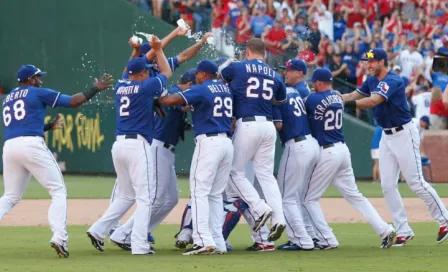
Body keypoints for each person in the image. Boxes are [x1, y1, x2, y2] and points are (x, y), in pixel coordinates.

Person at [0, 64, 113, 258]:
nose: (40, 80)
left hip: (10, 146)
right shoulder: (37, 92)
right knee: (58, 191)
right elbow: (73, 102)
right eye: (37, 77)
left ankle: (59, 237)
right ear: (29, 80)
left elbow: (22, 124)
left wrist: (48, 126)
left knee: (10, 196)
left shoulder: (8, 98)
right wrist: (95, 88)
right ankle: (59, 237)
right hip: (31, 145)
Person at [342, 48, 448, 246]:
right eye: (367, 61)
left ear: (382, 62)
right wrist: (335, 98)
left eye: (372, 62)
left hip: (404, 133)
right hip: (386, 135)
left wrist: (344, 105)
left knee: (416, 182)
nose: (368, 64)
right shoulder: (371, 79)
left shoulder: (393, 80)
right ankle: (403, 230)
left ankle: (445, 220)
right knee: (387, 185)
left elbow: (374, 101)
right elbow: (354, 94)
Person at [87, 36, 172, 255]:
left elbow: (127, 69)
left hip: (119, 146)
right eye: (144, 70)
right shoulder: (145, 87)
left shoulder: (120, 86)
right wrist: (159, 50)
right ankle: (139, 244)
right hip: (137, 145)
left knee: (126, 195)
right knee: (145, 197)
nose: (146, 72)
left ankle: (98, 229)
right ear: (142, 73)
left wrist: (135, 52)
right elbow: (167, 74)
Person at [303, 68, 396, 250]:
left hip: (327, 151)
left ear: (320, 83)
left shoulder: (312, 99)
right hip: (343, 150)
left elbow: (304, 106)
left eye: (315, 82)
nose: (313, 85)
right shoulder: (338, 97)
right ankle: (385, 229)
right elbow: (335, 96)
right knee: (356, 197)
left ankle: (327, 239)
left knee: (308, 199)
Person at [158, 60, 234, 255]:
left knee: (199, 191)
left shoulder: (203, 88)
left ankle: (202, 240)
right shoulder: (225, 89)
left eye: (198, 74)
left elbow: (172, 101)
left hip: (209, 142)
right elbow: (191, 106)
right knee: (216, 194)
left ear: (202, 74)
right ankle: (218, 242)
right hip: (227, 143)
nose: (196, 77)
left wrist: (157, 97)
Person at [219, 38, 287, 242]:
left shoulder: (238, 67)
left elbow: (221, 75)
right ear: (264, 54)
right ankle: (279, 218)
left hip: (247, 123)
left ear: (247, 52)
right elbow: (279, 100)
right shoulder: (274, 74)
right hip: (268, 125)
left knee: (233, 172)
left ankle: (259, 207)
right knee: (266, 175)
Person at [273, 59, 320, 251]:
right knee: (299, 196)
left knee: (287, 197)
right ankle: (312, 235)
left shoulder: (292, 91)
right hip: (310, 143)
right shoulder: (297, 91)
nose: (285, 73)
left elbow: (279, 125)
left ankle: (301, 239)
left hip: (297, 144)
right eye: (284, 70)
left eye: (289, 70)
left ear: (300, 72)